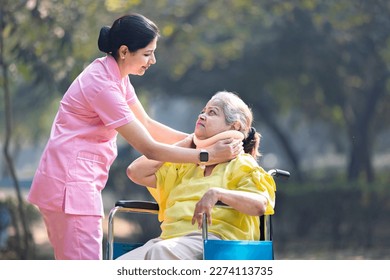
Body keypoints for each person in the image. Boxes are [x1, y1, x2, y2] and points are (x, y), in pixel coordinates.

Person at [27, 14, 241, 260]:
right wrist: (208, 154)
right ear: (125, 51)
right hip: (71, 188)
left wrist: (203, 140)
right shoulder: (102, 85)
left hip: (70, 185)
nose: (153, 60)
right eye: (148, 53)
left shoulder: (116, 77)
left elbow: (147, 124)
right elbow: (149, 148)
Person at [117, 91, 276, 260]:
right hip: (168, 241)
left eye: (212, 112)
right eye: (203, 111)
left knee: (160, 253)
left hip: (216, 242)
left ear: (234, 126)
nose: (202, 116)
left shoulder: (241, 163)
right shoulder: (186, 164)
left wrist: (217, 193)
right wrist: (189, 143)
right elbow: (135, 171)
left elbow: (259, 205)